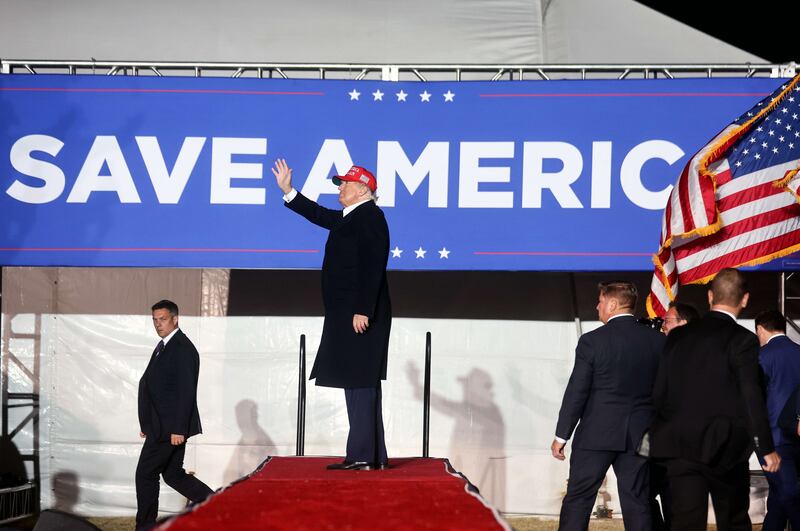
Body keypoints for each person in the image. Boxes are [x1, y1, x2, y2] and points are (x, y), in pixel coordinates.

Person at [272, 159, 391, 471]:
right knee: (356, 381)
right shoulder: (352, 217)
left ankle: (364, 454)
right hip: (347, 312)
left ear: (364, 190)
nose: (341, 188)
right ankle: (369, 455)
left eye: (346, 184)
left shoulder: (371, 217)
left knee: (361, 381)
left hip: (360, 313)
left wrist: (363, 309)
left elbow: (372, 265)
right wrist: (289, 192)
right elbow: (320, 215)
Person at [649, 268, 780, 531]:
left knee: (685, 523)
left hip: (679, 445)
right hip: (726, 447)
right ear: (744, 300)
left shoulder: (677, 336)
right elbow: (750, 395)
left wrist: (657, 436)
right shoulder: (742, 340)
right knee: (732, 521)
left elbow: (660, 391)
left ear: (710, 296)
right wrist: (765, 447)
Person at [552, 281, 665, 530]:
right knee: (638, 500)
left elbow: (577, 391)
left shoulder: (592, 342)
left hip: (596, 434)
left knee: (579, 499)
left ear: (612, 304)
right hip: (641, 436)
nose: (597, 306)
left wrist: (562, 435)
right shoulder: (658, 341)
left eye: (601, 301)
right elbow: (664, 391)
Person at [136, 300, 213, 530]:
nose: (158, 324)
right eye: (155, 320)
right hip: (159, 426)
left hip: (170, 429)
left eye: (163, 319)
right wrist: (146, 423)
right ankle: (214, 503)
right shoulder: (164, 346)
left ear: (175, 319)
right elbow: (154, 386)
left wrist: (179, 428)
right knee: (173, 475)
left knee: (145, 474)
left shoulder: (182, 348)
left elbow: (185, 391)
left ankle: (146, 526)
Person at [652, 300, 698, 530]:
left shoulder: (699, 355)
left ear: (684, 323)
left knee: (675, 500)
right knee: (644, 493)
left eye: (667, 321)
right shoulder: (659, 349)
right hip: (655, 437)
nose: (662, 325)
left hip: (683, 443)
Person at [755, 309, 800, 531]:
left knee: (787, 494)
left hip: (774, 439)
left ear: (760, 329)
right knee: (780, 494)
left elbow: (754, 398)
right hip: (797, 434)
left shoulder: (762, 356)